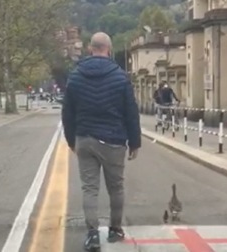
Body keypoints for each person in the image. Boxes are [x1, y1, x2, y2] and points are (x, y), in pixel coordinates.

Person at [61, 32, 141, 251]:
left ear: (90, 49)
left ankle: (92, 234)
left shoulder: (75, 76)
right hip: (114, 140)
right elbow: (130, 112)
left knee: (89, 189)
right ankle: (115, 229)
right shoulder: (120, 76)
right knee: (116, 188)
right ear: (109, 48)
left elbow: (67, 112)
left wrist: (71, 140)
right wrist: (134, 142)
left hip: (85, 139)